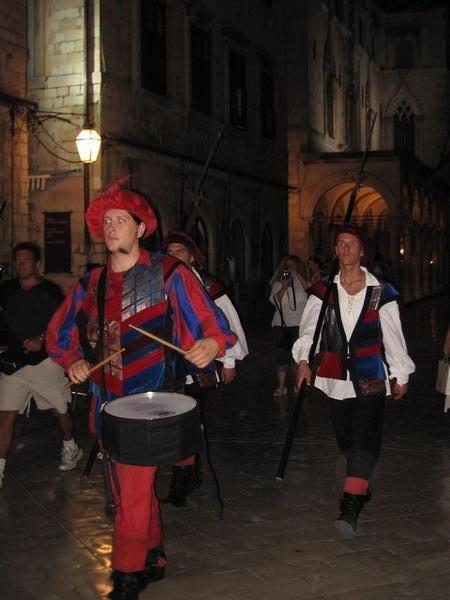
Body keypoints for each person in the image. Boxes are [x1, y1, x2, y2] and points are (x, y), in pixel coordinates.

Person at [45, 180, 237, 600]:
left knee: (129, 493)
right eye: (107, 221)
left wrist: (209, 345)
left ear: (140, 228)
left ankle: (127, 573)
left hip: (150, 407)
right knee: (126, 489)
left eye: (121, 220)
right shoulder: (91, 281)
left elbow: (212, 325)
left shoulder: (170, 273)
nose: (113, 227)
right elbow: (59, 333)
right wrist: (73, 360)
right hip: (103, 405)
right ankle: (154, 557)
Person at [293, 225, 415, 538]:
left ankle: (349, 508)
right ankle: (360, 483)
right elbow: (310, 330)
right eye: (340, 244)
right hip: (335, 377)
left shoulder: (380, 291)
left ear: (362, 251)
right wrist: (304, 362)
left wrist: (400, 373)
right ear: (335, 251)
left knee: (363, 438)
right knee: (347, 441)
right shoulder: (324, 290)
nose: (345, 249)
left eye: (351, 244)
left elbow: (393, 335)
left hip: (371, 375)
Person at [162, 229, 248, 506]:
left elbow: (228, 325)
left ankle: (183, 478)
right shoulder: (160, 285)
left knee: (186, 421)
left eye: (180, 251)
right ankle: (190, 471)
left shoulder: (208, 286)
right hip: (169, 366)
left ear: (191, 257)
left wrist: (230, 361)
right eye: (170, 252)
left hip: (200, 365)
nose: (174, 256)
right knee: (178, 421)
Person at [0, 242, 82, 489]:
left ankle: (70, 446)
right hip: (14, 365)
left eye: (26, 260)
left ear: (36, 263)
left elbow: (62, 325)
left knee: (60, 410)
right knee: (5, 417)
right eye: (18, 260)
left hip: (44, 364)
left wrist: (41, 340)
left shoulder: (50, 292)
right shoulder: (6, 290)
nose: (21, 264)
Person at [269, 255, 309, 397]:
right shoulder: (278, 284)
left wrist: (297, 276)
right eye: (287, 267)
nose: (290, 269)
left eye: (293, 266)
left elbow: (311, 292)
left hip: (299, 325)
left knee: (299, 356)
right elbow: (275, 301)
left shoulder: (302, 282)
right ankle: (281, 386)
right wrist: (285, 286)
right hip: (283, 326)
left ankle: (298, 384)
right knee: (282, 355)